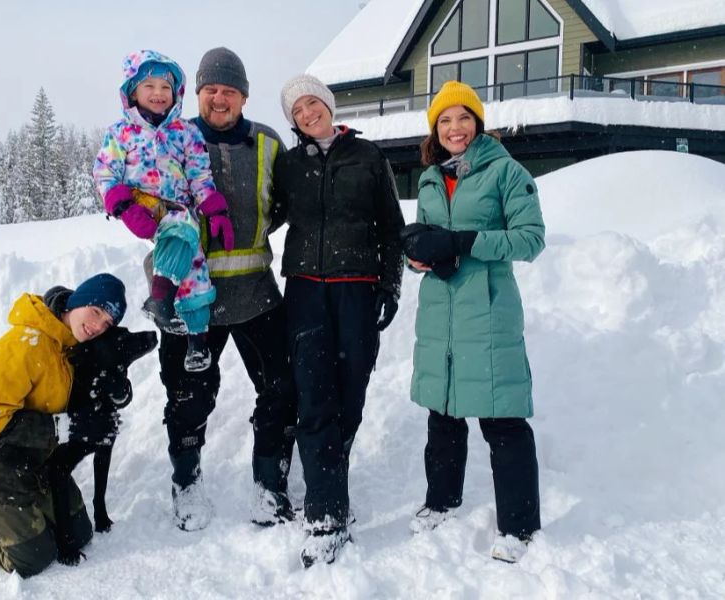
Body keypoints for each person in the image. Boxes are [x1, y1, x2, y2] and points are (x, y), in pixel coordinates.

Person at [403, 80, 545, 564]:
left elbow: (529, 240)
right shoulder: (427, 179)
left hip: (487, 312)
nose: (455, 128)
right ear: (434, 130)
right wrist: (419, 257)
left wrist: (464, 243)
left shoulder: (506, 172)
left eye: (463, 117)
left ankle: (520, 526)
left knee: (502, 420)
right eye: (445, 120)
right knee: (442, 415)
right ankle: (442, 501)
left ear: (478, 123)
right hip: (441, 314)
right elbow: (429, 239)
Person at [156, 47, 297, 532]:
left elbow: (283, 205)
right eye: (211, 89)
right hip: (192, 300)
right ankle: (186, 481)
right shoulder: (171, 140)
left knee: (281, 389)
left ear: (244, 96)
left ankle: (269, 481)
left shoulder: (269, 143)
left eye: (229, 90)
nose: (220, 98)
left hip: (257, 294)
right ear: (196, 93)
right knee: (187, 396)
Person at [272, 74, 404, 567]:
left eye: (312, 105)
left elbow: (392, 229)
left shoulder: (368, 159)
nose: (307, 115)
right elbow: (267, 215)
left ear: (328, 106)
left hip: (356, 290)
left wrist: (389, 286)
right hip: (305, 291)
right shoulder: (288, 165)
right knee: (313, 397)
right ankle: (325, 517)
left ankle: (329, 478)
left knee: (351, 395)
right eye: (297, 113)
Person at [0, 273, 127, 577]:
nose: (98, 326)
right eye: (96, 312)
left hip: (38, 463)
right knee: (33, 558)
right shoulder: (25, 345)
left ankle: (15, 517)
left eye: (108, 322)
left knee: (79, 533)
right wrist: (66, 427)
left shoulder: (74, 344)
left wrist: (118, 393)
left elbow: (114, 363)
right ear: (79, 301)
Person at [94, 49, 234, 373]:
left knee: (196, 265)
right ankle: (160, 298)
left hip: (179, 209)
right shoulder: (120, 133)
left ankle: (197, 344)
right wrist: (125, 207)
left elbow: (200, 175)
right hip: (143, 204)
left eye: (165, 87)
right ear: (132, 91)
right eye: (149, 86)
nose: (158, 93)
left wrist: (215, 211)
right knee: (182, 225)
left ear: (176, 93)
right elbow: (104, 173)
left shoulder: (185, 133)